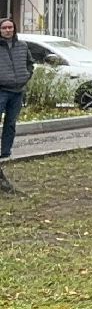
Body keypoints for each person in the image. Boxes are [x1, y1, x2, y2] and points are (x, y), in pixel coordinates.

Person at [0, 18, 30, 192]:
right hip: (2, 90)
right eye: (4, 28)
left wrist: (26, 76)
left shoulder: (22, 46)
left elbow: (29, 63)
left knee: (11, 123)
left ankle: (6, 151)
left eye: (10, 27)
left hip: (17, 91)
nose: (8, 30)